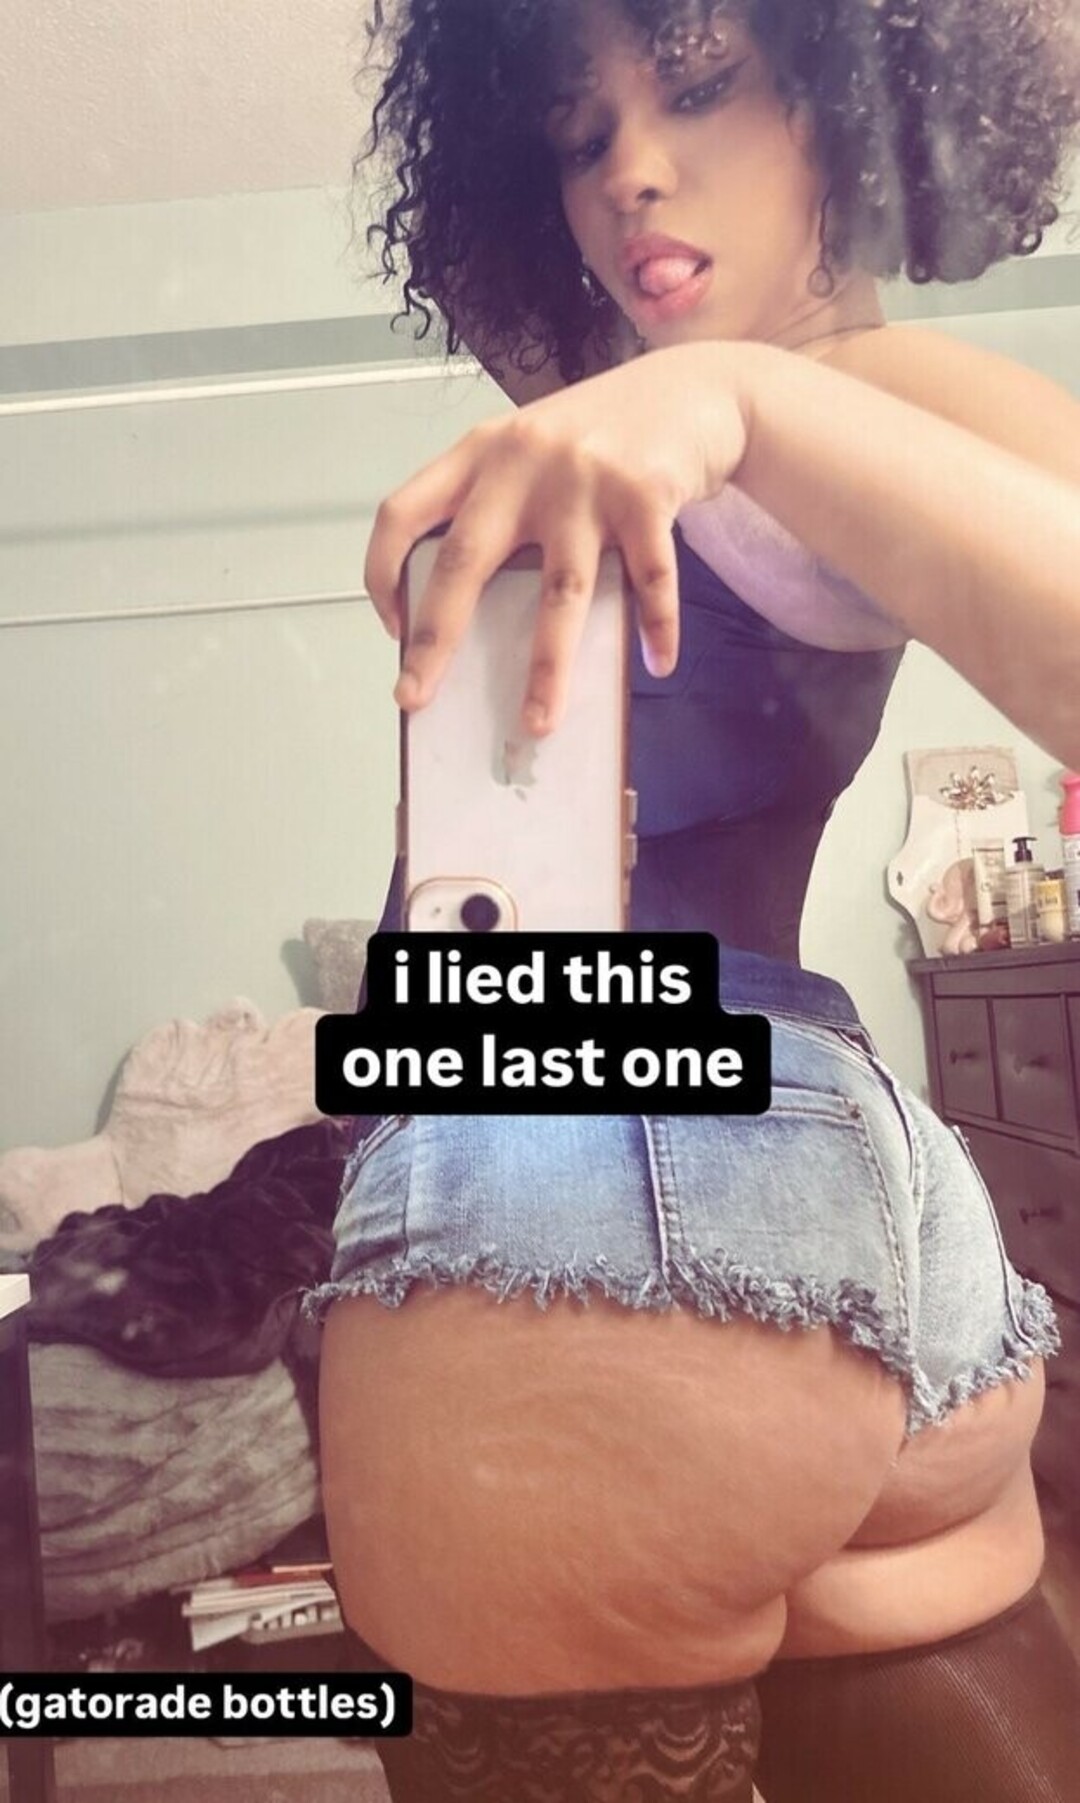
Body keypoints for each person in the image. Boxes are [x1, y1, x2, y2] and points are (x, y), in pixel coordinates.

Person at [305, 0, 1080, 1796]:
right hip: (861, 1235)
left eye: (706, 87)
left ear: (851, 103)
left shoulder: (841, 389)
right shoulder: (652, 416)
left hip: (596, 1164)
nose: (633, 172)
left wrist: (740, 393)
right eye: (579, 136)